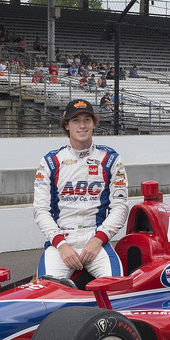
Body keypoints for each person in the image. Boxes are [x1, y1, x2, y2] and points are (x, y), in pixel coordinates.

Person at [33, 99, 128, 281]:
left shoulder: (110, 159)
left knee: (117, 290)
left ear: (94, 124)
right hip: (61, 244)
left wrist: (97, 241)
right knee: (45, 297)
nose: (82, 125)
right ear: (67, 125)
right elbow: (40, 210)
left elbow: (120, 207)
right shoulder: (50, 162)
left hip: (96, 243)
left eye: (87, 120)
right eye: (76, 120)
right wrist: (62, 245)